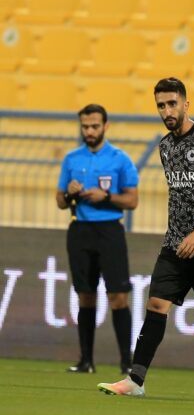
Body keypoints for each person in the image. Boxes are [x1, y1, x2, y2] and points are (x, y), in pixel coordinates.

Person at [97, 77, 194, 401]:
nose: (166, 110)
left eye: (172, 103)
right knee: (156, 304)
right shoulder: (165, 146)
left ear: (185, 104)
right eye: (161, 105)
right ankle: (136, 379)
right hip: (175, 244)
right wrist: (183, 233)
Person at [56, 104, 139, 375]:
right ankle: (86, 361)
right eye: (85, 126)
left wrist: (107, 197)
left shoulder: (119, 159)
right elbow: (59, 200)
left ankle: (126, 363)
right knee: (85, 296)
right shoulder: (71, 159)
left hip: (109, 231)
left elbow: (132, 200)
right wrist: (69, 193)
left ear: (105, 126)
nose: (89, 131)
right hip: (80, 230)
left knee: (118, 297)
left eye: (94, 126)